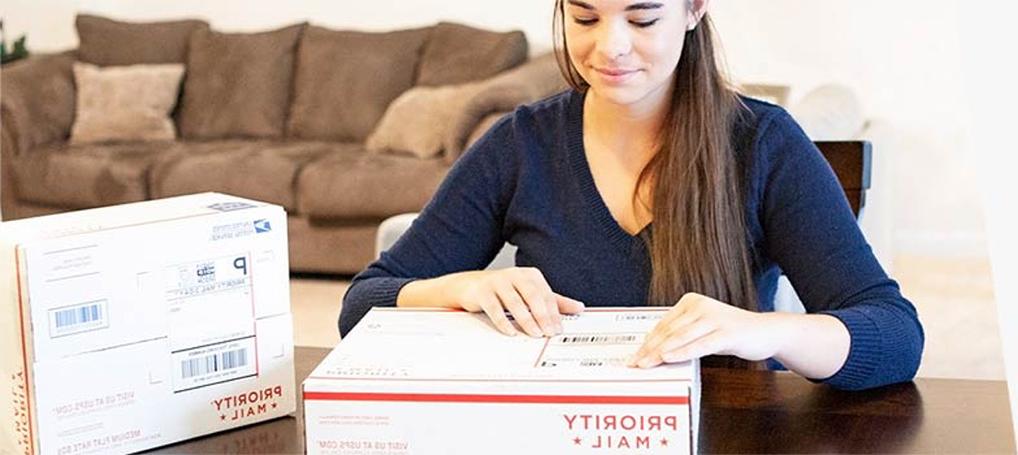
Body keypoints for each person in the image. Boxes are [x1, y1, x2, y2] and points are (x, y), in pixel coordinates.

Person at [339, 0, 924, 391]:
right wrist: (462, 288)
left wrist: (764, 329)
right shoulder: (522, 143)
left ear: (695, 9)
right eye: (585, 18)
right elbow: (361, 306)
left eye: (642, 19)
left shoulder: (762, 142)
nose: (610, 47)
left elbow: (896, 336)